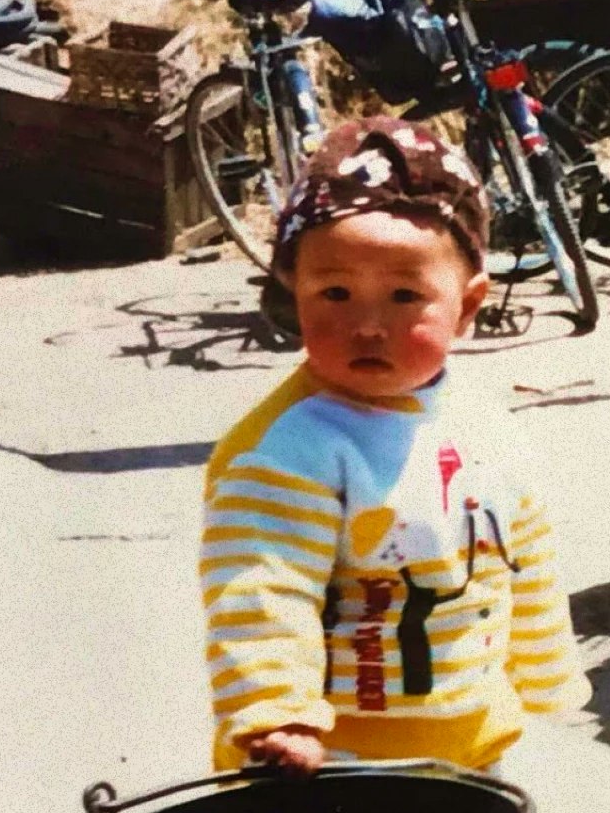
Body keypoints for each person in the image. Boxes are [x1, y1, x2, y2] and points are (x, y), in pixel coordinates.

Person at [200, 117, 587, 775]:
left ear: (467, 306)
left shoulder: (484, 425)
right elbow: (263, 587)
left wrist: (545, 677)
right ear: (294, 292)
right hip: (331, 761)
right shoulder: (289, 446)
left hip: (472, 744)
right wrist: (278, 715)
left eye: (406, 295)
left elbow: (521, 555)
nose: (368, 325)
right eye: (335, 293)